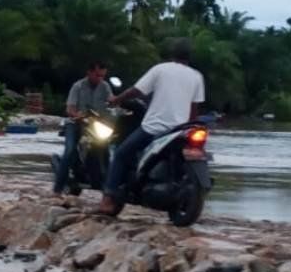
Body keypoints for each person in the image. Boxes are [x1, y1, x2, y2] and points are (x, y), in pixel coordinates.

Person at [98, 39, 205, 215]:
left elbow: (137, 91)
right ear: (189, 57)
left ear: (172, 54)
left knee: (121, 154)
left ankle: (107, 199)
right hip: (180, 130)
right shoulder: (196, 76)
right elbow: (194, 109)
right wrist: (189, 126)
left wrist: (117, 99)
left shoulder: (160, 69)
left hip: (154, 127)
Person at [53, 61, 112, 194]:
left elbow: (111, 102)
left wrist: (119, 106)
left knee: (106, 150)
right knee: (69, 151)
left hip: (95, 125)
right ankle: (57, 189)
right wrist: (77, 115)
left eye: (103, 76)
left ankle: (108, 188)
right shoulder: (78, 86)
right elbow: (69, 108)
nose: (100, 79)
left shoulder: (105, 86)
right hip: (74, 123)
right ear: (89, 72)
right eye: (97, 75)